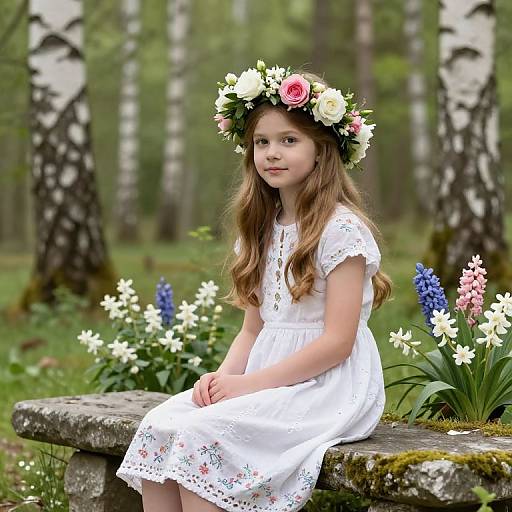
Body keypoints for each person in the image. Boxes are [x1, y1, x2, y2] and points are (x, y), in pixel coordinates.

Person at [116, 60, 392, 512]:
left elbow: (338, 343)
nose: (272, 153)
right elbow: (251, 330)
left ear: (322, 150)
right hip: (265, 375)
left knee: (201, 436)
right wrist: (225, 379)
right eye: (261, 142)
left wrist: (250, 386)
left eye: (289, 140)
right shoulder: (261, 228)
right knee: (161, 424)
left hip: (327, 385)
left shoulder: (341, 231)